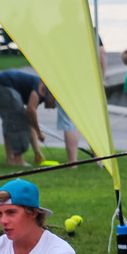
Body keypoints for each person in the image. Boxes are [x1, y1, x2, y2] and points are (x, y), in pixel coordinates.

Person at [0, 69, 56, 166]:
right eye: (56, 103)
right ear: (52, 95)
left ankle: (10, 159)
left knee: (10, 122)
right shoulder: (42, 90)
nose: (54, 107)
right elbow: (30, 110)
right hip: (3, 85)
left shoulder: (42, 90)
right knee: (19, 121)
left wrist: (37, 152)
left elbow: (30, 120)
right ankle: (18, 160)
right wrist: (39, 132)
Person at [54, 35, 107, 163]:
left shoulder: (59, 30)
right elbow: (102, 53)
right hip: (89, 81)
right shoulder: (90, 29)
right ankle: (98, 159)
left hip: (66, 80)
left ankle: (73, 163)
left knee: (69, 121)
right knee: (92, 120)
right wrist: (102, 78)